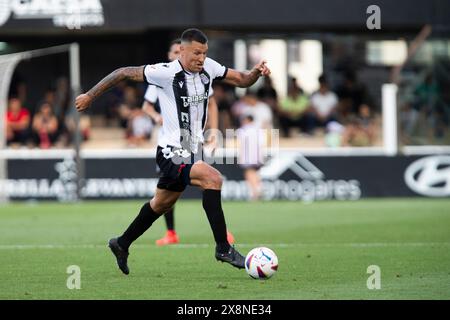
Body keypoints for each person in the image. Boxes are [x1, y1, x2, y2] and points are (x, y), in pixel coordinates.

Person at [75, 28, 271, 275]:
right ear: (182, 51)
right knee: (213, 179)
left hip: (192, 148)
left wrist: (255, 73)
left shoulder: (208, 68)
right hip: (172, 150)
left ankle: (121, 243)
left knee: (161, 204)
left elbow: (242, 79)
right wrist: (90, 96)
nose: (201, 58)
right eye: (197, 53)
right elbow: (123, 72)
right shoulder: (165, 73)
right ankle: (223, 248)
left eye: (204, 53)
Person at [141, 39, 234, 246]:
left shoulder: (199, 77)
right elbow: (146, 106)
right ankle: (171, 232)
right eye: (173, 51)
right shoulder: (161, 75)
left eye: (179, 51)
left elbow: (212, 104)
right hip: (170, 143)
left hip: (192, 141)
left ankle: (222, 232)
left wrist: (213, 132)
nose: (176, 55)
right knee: (166, 194)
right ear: (170, 54)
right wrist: (156, 117)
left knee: (207, 181)